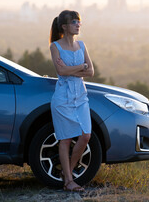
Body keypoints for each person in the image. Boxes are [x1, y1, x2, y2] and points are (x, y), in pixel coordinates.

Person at [49, 10, 94, 192]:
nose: (78, 25)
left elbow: (90, 72)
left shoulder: (81, 45)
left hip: (81, 98)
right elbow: (61, 73)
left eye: (79, 22)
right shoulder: (55, 46)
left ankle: (67, 170)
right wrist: (81, 67)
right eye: (74, 22)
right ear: (64, 26)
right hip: (63, 98)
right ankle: (69, 181)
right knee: (65, 139)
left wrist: (72, 69)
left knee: (85, 135)